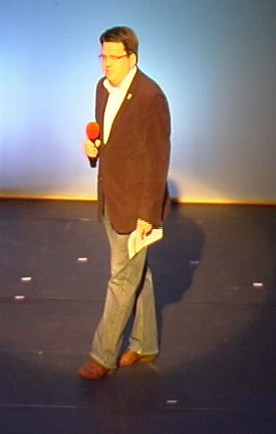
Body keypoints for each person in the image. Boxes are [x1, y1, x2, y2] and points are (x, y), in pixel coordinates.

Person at [78, 26, 171, 380]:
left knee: (121, 280)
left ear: (132, 58)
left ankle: (102, 356)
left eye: (114, 57)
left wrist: (148, 214)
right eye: (103, 56)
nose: (106, 64)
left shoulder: (150, 97)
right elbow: (111, 142)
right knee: (136, 273)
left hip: (134, 206)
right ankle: (145, 345)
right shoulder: (102, 90)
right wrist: (94, 151)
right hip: (111, 197)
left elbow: (157, 160)